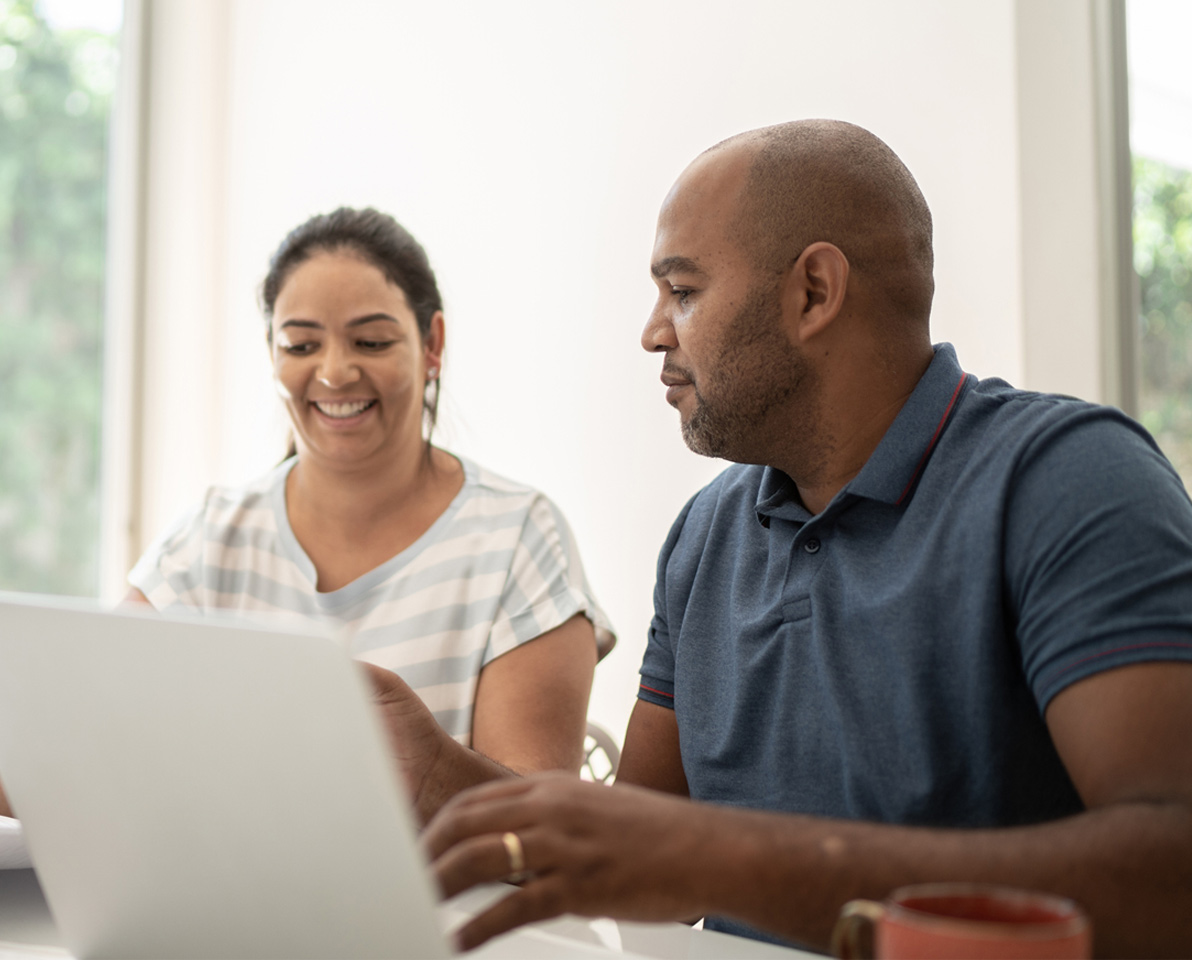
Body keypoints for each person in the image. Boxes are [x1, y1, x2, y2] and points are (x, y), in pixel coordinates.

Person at [417, 120, 1192, 957]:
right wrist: (434, 777)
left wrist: (731, 858)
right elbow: (643, 861)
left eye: (682, 290)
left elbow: (1171, 871)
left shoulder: (1068, 480)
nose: (653, 332)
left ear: (814, 292)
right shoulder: (706, 534)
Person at [0, 207, 615, 835]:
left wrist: (432, 768)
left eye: (371, 340)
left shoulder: (517, 536)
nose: (335, 372)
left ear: (431, 343)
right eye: (300, 344)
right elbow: (86, 737)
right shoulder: (214, 537)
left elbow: (545, 826)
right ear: (272, 355)